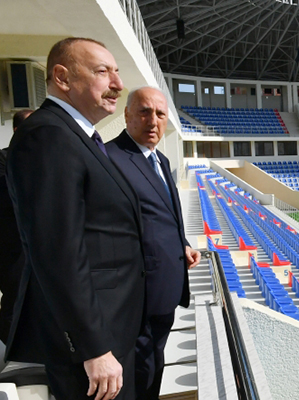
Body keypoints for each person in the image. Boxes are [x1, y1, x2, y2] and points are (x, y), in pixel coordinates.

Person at [5, 37, 145, 400]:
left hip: (111, 332)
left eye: (117, 72)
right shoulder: (49, 136)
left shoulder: (78, 136)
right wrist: (93, 347)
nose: (118, 84)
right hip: (94, 346)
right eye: (103, 72)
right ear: (62, 77)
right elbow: (57, 252)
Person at [105, 87, 200, 400]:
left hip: (164, 290)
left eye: (160, 114)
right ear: (128, 114)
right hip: (136, 295)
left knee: (153, 362)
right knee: (137, 370)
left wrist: (182, 244)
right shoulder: (111, 158)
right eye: (144, 111)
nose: (153, 120)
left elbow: (162, 217)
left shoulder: (158, 157)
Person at [0, 109, 34, 346]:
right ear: (16, 130)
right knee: (14, 302)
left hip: (36, 248)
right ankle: (11, 352)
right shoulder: (3, 159)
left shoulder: (43, 158)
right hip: (12, 250)